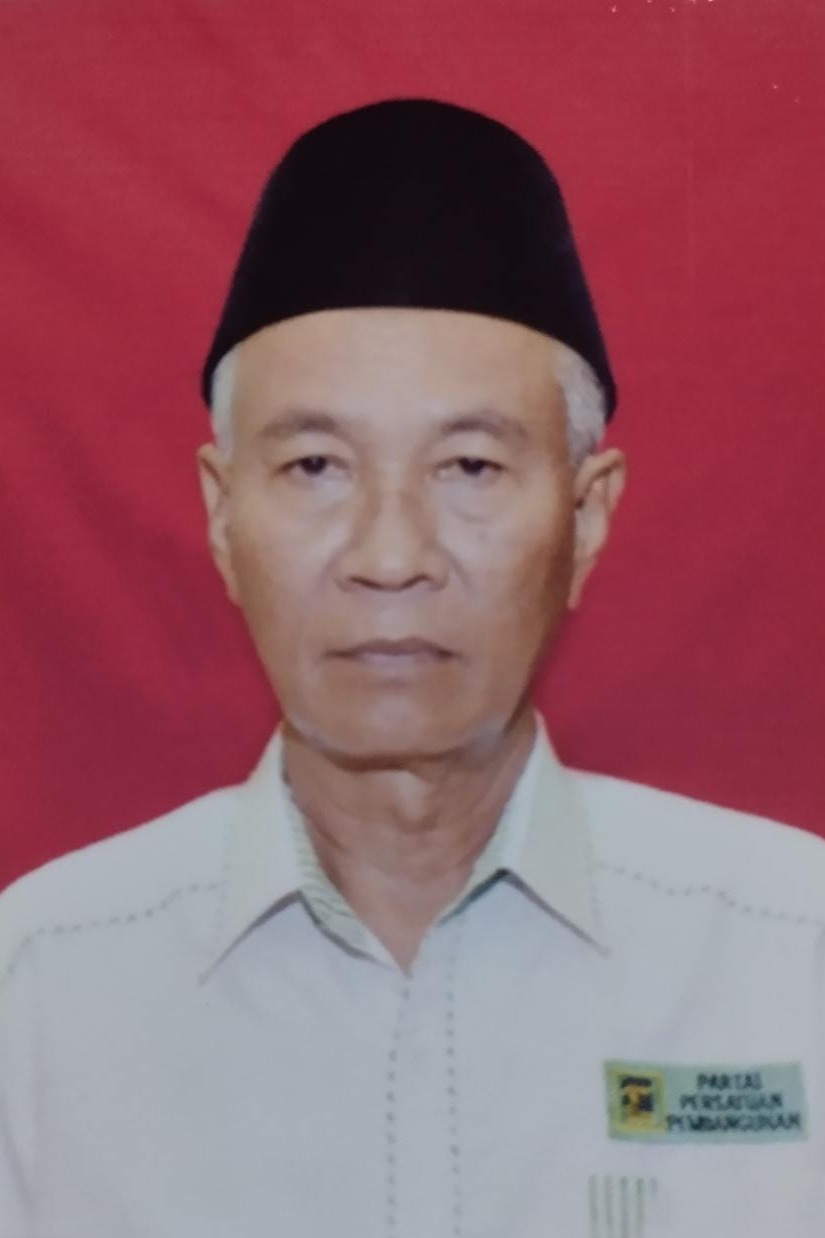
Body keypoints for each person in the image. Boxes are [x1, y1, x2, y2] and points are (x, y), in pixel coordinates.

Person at [0, 98, 822, 1238]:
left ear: (586, 518)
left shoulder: (792, 956)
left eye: (470, 466)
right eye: (316, 466)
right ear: (222, 516)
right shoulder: (37, 992)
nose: (391, 557)